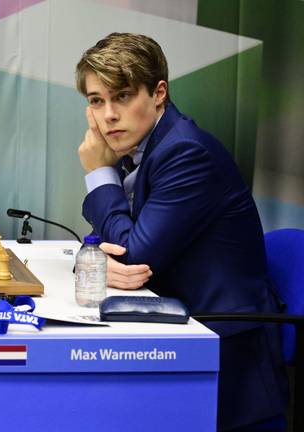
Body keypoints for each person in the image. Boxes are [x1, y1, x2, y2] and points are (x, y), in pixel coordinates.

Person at [76, 33, 288, 431]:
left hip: (227, 361)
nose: (108, 116)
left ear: (159, 93)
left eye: (122, 96)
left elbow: (132, 252)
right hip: (178, 332)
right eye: (96, 101)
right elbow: (121, 244)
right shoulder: (144, 148)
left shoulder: (184, 152)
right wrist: (100, 260)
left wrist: (98, 173)